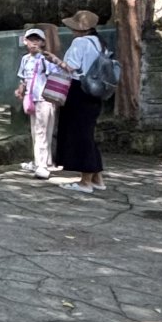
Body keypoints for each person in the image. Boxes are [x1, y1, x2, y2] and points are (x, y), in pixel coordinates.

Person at [55, 10, 106, 192]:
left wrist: (54, 59)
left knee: (80, 135)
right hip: (95, 91)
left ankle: (85, 181)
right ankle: (97, 178)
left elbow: (71, 67)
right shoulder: (99, 42)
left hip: (79, 90)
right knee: (88, 134)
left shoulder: (80, 42)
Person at [15, 29, 57, 178]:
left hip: (44, 99)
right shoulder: (25, 59)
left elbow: (55, 76)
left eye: (37, 39)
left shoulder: (46, 59)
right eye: (30, 39)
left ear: (43, 42)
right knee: (36, 132)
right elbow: (24, 78)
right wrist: (21, 89)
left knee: (42, 133)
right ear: (25, 41)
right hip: (31, 99)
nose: (33, 43)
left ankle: (42, 166)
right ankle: (41, 161)